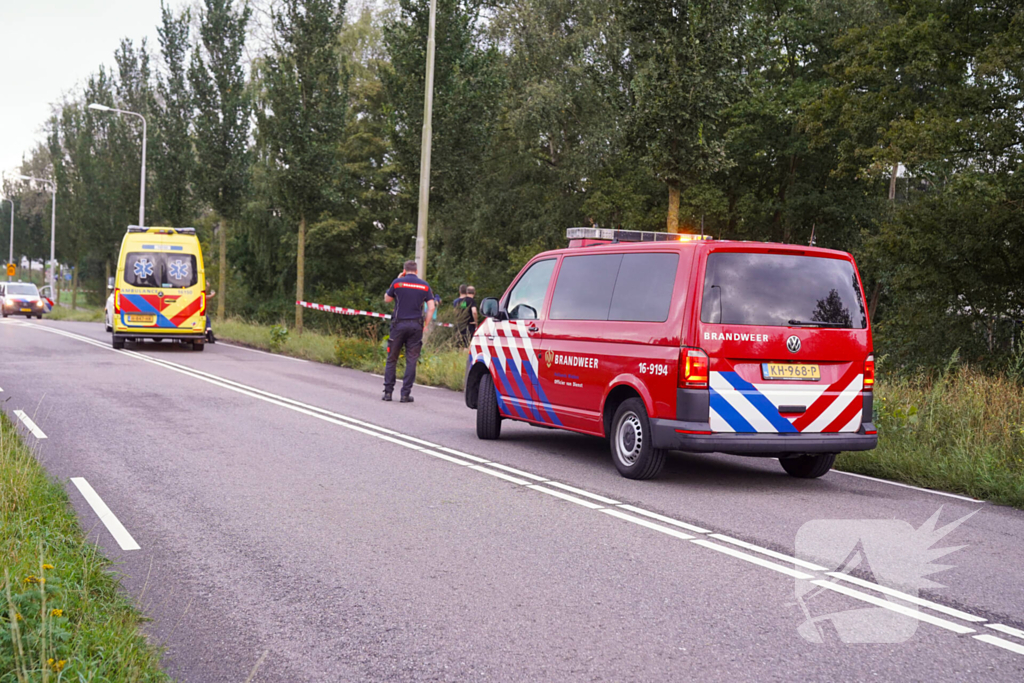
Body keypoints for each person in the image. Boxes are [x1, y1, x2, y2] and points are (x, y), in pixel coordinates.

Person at [382, 260, 435, 403]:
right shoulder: (424, 285)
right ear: (416, 271)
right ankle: (405, 394)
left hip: (398, 325)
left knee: (392, 358)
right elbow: (431, 307)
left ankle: (388, 393)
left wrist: (398, 279)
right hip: (416, 326)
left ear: (404, 270)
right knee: (411, 360)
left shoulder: (398, 282)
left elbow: (387, 299)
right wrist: (425, 324)